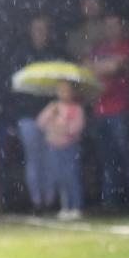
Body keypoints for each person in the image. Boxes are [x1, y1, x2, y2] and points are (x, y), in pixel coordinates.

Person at [87, 13, 129, 210]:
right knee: (107, 158)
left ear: (122, 27)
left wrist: (98, 67)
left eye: (115, 25)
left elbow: (115, 67)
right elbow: (84, 69)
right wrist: (103, 67)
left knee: (128, 155)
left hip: (121, 109)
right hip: (100, 110)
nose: (111, 29)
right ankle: (111, 201)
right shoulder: (98, 49)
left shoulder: (128, 46)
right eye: (108, 25)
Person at [9, 13, 66, 214]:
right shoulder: (21, 55)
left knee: (51, 159)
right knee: (34, 160)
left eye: (44, 29)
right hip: (28, 117)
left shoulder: (55, 54)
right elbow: (15, 88)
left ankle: (51, 201)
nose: (40, 33)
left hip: (51, 115)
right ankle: (37, 202)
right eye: (37, 29)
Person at [37, 81, 87, 220]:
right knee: (59, 177)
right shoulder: (53, 107)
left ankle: (76, 206)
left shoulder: (76, 109)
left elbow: (76, 128)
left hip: (69, 147)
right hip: (53, 146)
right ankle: (65, 206)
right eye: (61, 90)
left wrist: (63, 124)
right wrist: (50, 115)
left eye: (67, 91)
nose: (64, 94)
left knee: (71, 176)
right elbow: (40, 123)